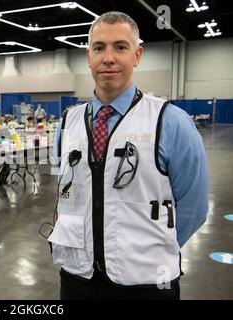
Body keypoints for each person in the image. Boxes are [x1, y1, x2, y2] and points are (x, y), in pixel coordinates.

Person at [50, 11, 209, 300]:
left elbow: (194, 207)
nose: (108, 57)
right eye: (99, 48)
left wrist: (151, 250)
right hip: (77, 277)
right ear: (89, 56)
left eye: (120, 47)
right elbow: (68, 194)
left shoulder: (170, 122)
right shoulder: (67, 122)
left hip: (147, 283)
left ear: (137, 55)